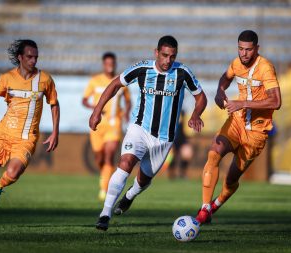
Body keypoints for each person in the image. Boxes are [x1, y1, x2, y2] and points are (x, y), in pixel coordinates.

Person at [89, 35, 207, 231]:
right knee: (125, 163)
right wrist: (96, 111)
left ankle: (130, 195)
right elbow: (115, 84)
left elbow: (201, 97)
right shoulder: (142, 69)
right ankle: (105, 213)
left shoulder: (183, 72)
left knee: (144, 180)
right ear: (156, 53)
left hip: (164, 138)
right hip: (139, 128)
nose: (168, 60)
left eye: (172, 56)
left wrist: (196, 113)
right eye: (164, 55)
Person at [0, 39, 60, 229]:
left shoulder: (45, 79)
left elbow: (54, 104)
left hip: (26, 138)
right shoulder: (6, 78)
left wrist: (55, 132)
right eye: (29, 57)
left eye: (36, 57)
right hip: (1, 135)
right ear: (20, 57)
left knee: (14, 172)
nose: (33, 61)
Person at [195, 30, 282, 224]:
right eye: (240, 49)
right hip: (237, 121)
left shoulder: (266, 68)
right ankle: (204, 208)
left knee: (231, 180)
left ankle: (215, 205)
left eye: (248, 50)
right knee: (214, 152)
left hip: (257, 132)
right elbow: (225, 78)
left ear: (256, 49)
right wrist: (220, 91)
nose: (244, 54)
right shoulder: (236, 63)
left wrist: (242, 103)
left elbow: (276, 101)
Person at [82, 52, 131, 201]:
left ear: (115, 64)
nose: (110, 66)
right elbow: (84, 100)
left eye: (112, 63)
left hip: (114, 123)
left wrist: (127, 112)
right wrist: (94, 107)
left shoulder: (121, 81)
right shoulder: (95, 81)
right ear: (104, 64)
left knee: (109, 155)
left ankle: (104, 189)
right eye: (107, 63)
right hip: (97, 123)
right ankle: (104, 175)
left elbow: (128, 101)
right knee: (99, 157)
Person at [167, 110, 193, 180]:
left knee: (187, 154)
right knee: (172, 157)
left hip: (182, 140)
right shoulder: (170, 115)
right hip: (172, 140)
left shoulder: (183, 114)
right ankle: (171, 174)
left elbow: (186, 131)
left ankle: (183, 174)